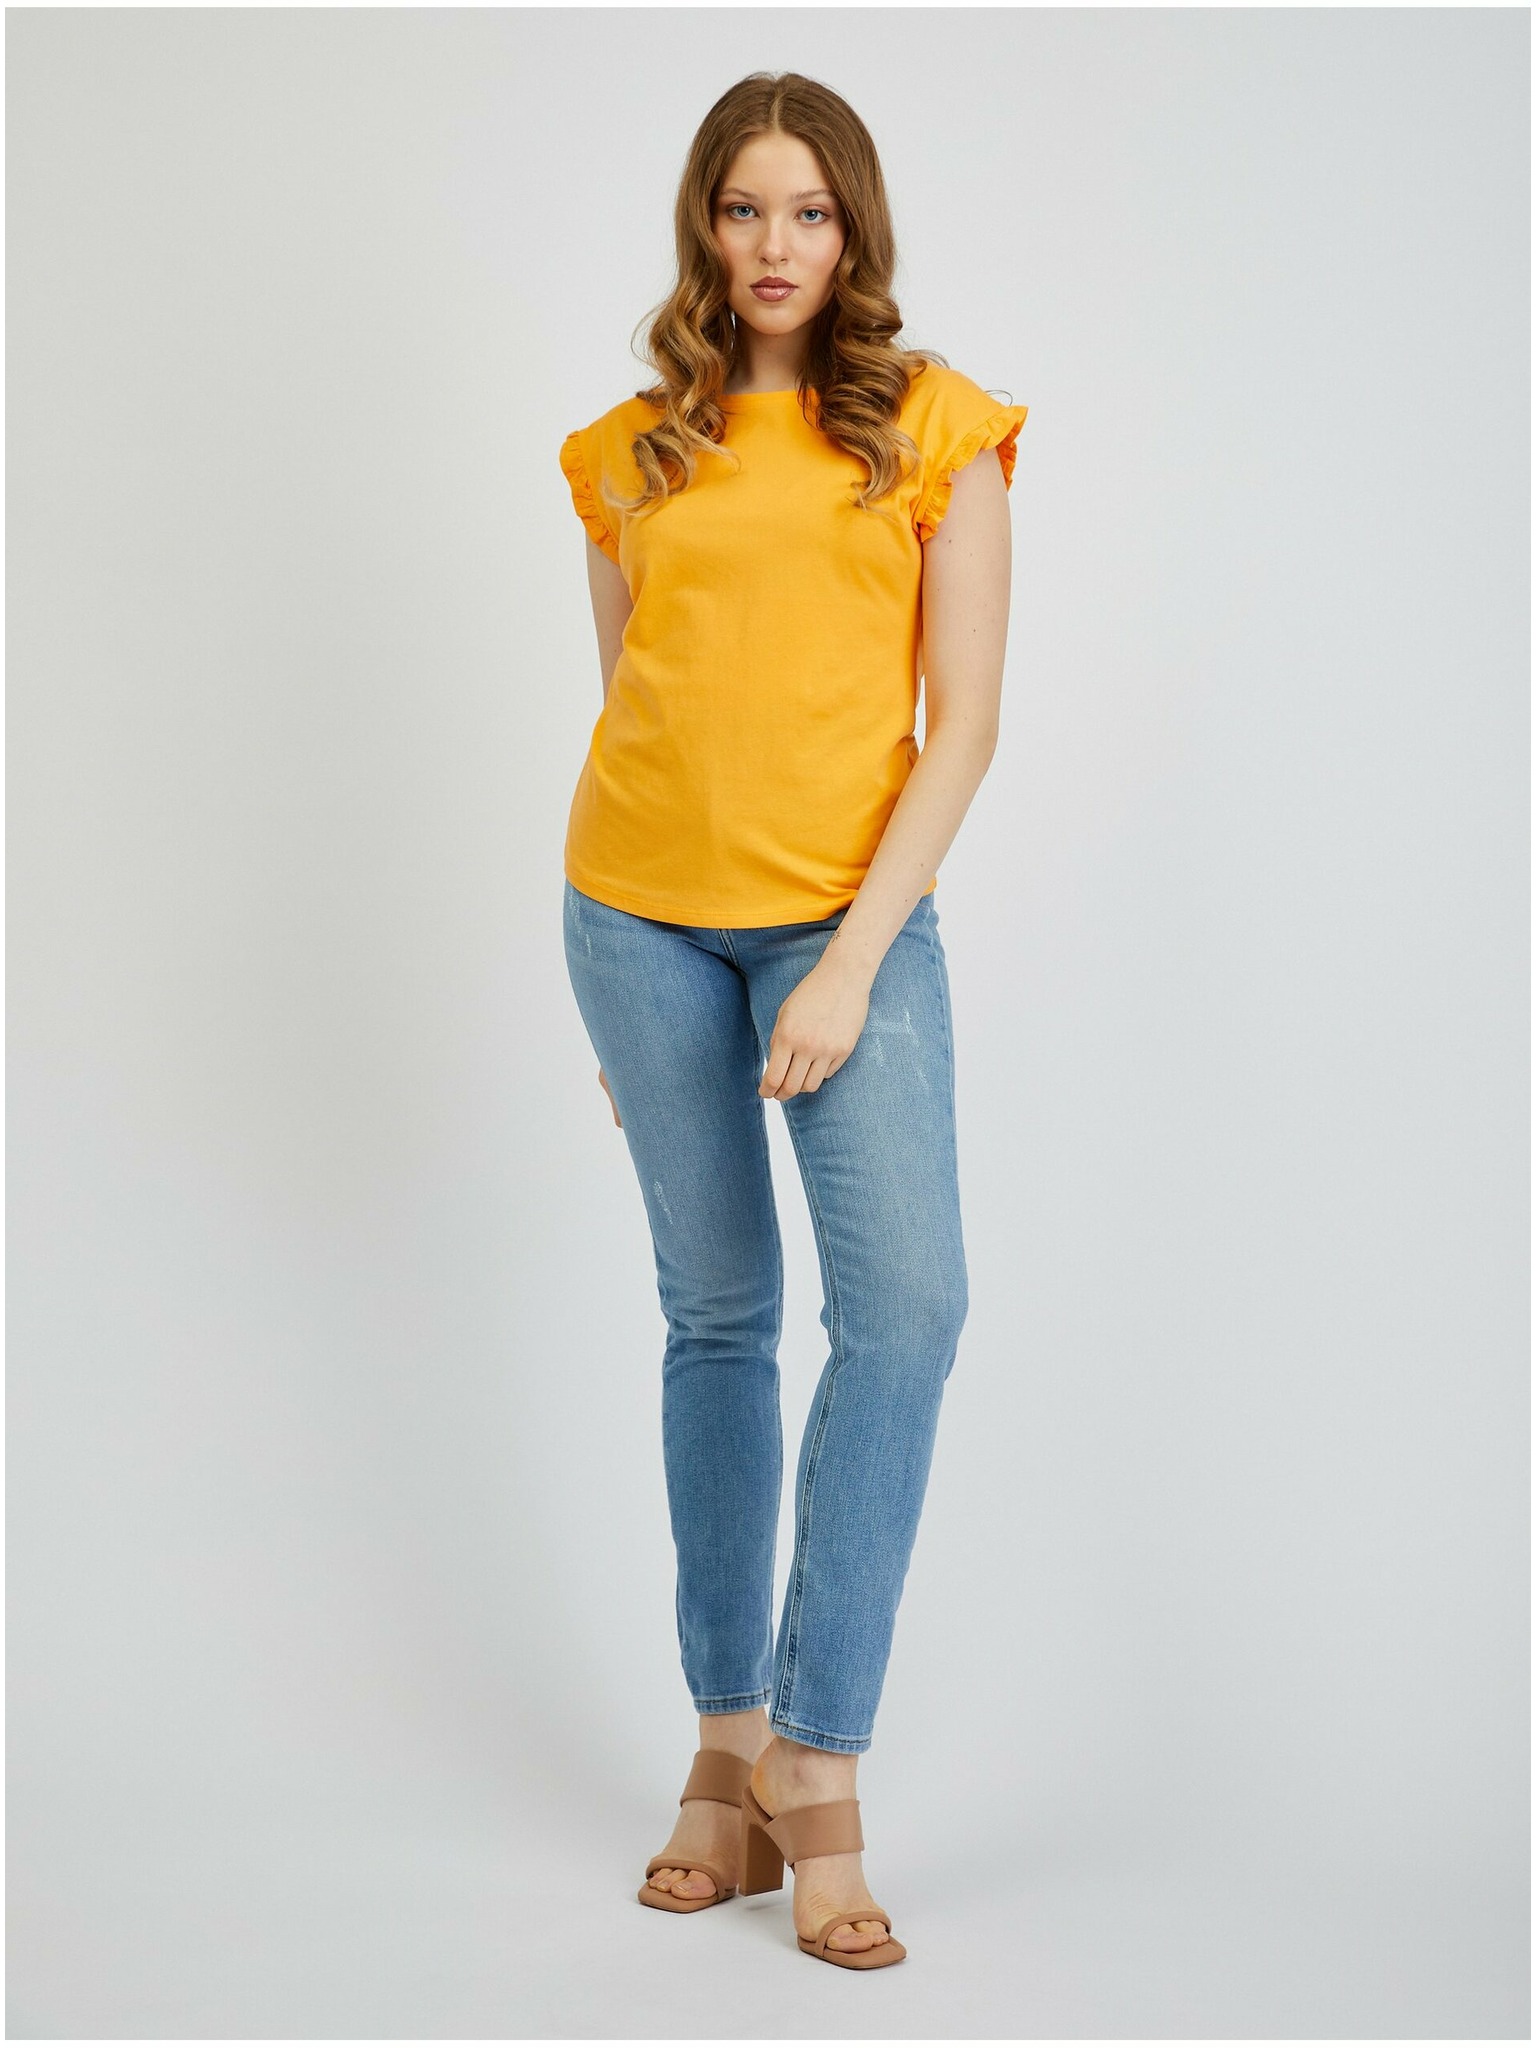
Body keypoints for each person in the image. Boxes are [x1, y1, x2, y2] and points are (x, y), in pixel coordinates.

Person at [556, 69, 1026, 1972]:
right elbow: (635, 703)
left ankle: (816, 1755)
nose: (774, 245)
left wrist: (846, 965)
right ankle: (726, 1749)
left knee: (906, 1309)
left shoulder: (935, 429)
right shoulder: (626, 453)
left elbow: (964, 724)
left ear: (855, 231)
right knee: (718, 1320)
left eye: (809, 213)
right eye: (743, 209)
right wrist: (621, 1010)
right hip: (636, 922)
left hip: (848, 919)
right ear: (704, 224)